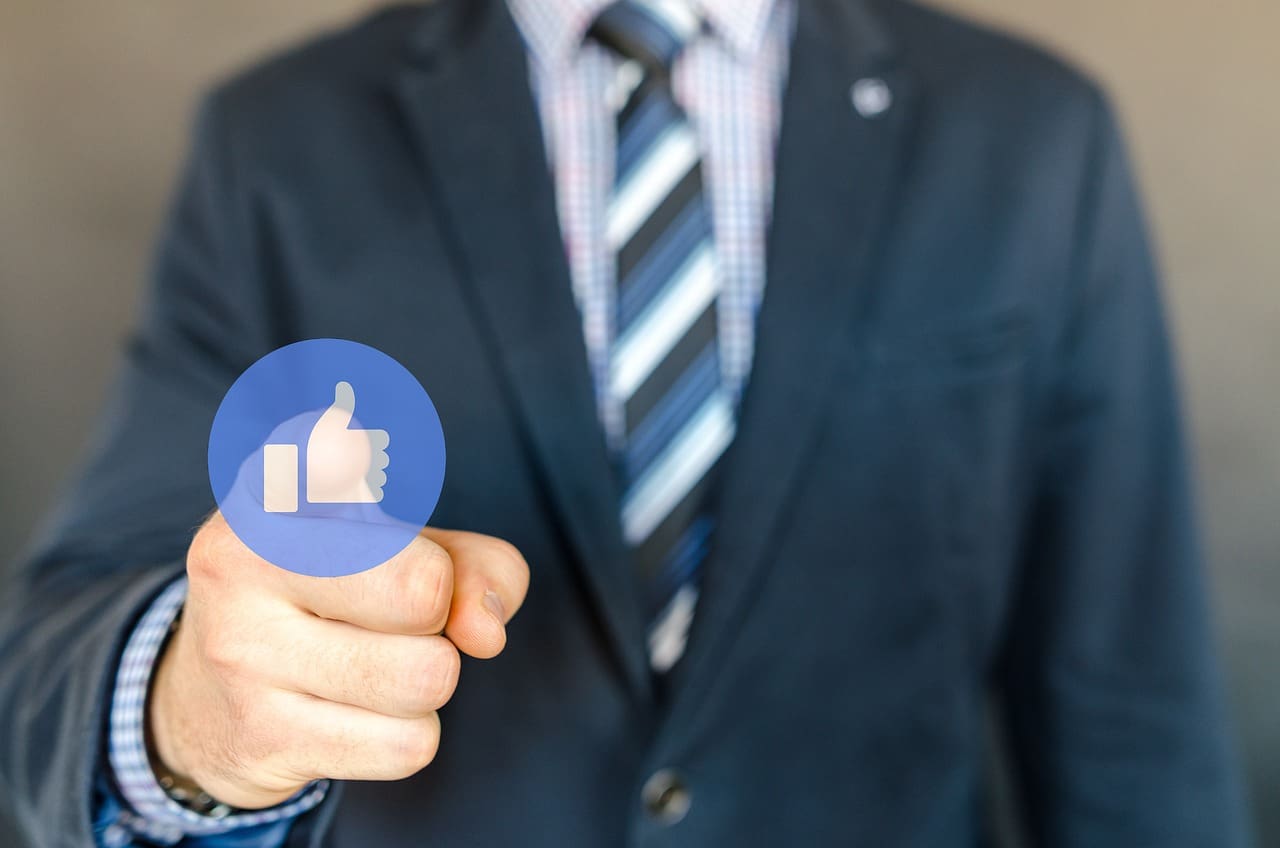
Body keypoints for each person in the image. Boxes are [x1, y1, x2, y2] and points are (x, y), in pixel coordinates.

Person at [0, 0, 1253, 845]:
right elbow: (64, 644)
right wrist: (194, 713)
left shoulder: (1031, 135)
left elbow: (1129, 709)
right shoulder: (278, 142)